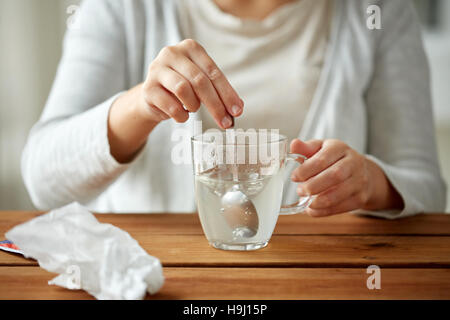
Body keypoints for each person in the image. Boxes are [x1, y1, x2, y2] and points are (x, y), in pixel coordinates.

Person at [22, 0, 446, 218]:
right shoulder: (122, 7)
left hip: (319, 282)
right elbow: (44, 180)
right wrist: (140, 105)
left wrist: (372, 182)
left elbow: (427, 186)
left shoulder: (379, 11)